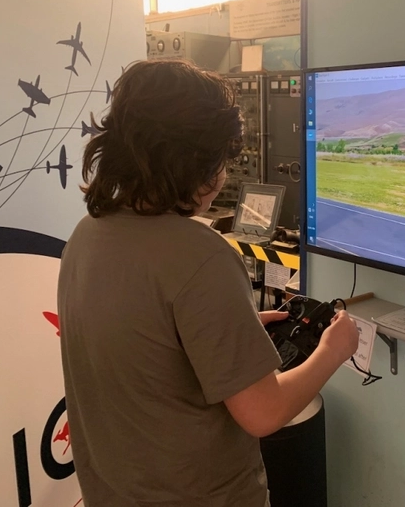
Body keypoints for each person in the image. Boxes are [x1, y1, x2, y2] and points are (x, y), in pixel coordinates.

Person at [57, 59, 359, 507]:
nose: (222, 175)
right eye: (220, 158)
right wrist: (335, 350)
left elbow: (141, 345)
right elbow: (264, 413)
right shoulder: (201, 257)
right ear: (193, 159)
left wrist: (229, 330)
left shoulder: (87, 235)